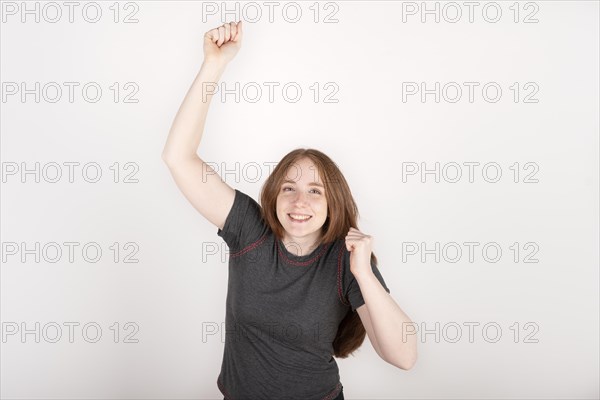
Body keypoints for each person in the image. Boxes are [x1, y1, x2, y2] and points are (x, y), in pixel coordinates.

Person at [162, 21, 417, 400]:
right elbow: (178, 157)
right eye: (289, 188)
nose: (300, 202)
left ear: (334, 204)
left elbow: (404, 356)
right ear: (273, 196)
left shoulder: (344, 261)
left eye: (315, 191)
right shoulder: (250, 230)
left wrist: (362, 272)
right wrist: (214, 64)